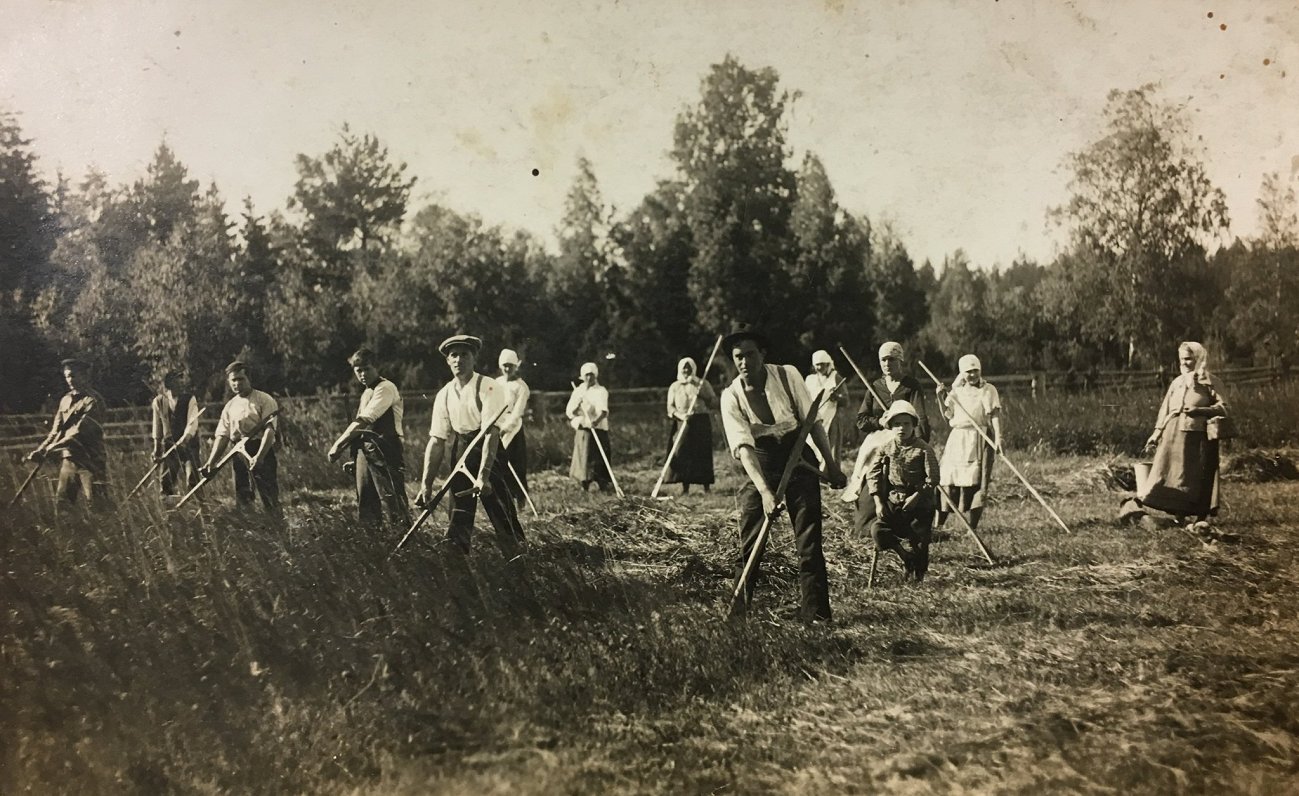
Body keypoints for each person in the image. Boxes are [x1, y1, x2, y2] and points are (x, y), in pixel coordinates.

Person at [719, 328, 847, 623]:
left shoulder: (788, 376)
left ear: (762, 354)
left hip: (799, 456)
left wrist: (830, 465)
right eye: (738, 357)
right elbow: (743, 449)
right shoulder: (731, 397)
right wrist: (765, 491)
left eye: (750, 354)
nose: (744, 362)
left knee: (809, 540)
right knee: (750, 539)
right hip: (762, 462)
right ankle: (738, 613)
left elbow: (811, 422)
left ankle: (815, 614)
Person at [416, 335, 526, 556]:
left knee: (501, 512)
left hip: (488, 450)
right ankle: (457, 565)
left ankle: (518, 559)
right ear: (448, 361)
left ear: (474, 357)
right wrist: (425, 485)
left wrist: (484, 476)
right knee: (458, 515)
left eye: (464, 354)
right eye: (453, 355)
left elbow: (491, 434)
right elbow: (437, 441)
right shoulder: (444, 394)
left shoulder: (489, 386)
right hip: (461, 451)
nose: (459, 360)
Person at [846, 341, 933, 538]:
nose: (887, 363)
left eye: (891, 359)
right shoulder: (875, 387)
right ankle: (870, 525)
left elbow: (921, 418)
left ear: (900, 360)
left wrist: (918, 445)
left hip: (904, 438)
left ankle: (905, 526)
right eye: (883, 360)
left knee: (905, 478)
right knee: (870, 476)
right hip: (878, 441)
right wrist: (880, 422)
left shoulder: (911, 386)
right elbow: (861, 420)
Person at [1137, 341, 1228, 523]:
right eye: (1181, 359)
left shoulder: (1210, 382)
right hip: (1173, 434)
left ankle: (1200, 514)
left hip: (1199, 435)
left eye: (1188, 359)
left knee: (1197, 476)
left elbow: (1224, 408)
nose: (1184, 363)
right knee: (1174, 475)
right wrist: (1156, 434)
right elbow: (1165, 409)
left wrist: (1200, 411)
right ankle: (1178, 512)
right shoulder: (1177, 382)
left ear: (1199, 358)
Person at [327, 347, 410, 528]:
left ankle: (405, 543)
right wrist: (356, 459)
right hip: (365, 451)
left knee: (392, 501)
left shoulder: (385, 388)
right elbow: (360, 431)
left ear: (376, 367)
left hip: (385, 449)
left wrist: (338, 445)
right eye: (359, 370)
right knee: (366, 502)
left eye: (367, 368)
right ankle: (374, 546)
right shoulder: (366, 393)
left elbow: (364, 420)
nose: (363, 374)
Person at [867, 401, 940, 582]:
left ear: (914, 425)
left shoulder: (923, 449)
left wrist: (916, 497)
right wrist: (878, 503)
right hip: (895, 499)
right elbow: (873, 474)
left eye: (906, 424)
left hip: (919, 500)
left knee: (919, 537)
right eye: (897, 424)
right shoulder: (886, 448)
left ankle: (919, 575)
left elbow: (933, 479)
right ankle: (905, 557)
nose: (902, 428)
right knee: (878, 529)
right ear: (891, 427)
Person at [26, 357, 110, 508]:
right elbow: (55, 431)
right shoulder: (65, 400)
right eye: (67, 376)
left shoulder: (93, 401)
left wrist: (53, 448)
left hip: (90, 460)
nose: (70, 380)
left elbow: (78, 432)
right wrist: (41, 450)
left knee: (97, 506)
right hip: (69, 459)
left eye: (73, 375)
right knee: (63, 505)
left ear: (85, 376)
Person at [202, 361, 280, 515]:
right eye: (233, 380)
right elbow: (222, 436)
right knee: (243, 496)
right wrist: (211, 462)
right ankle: (248, 531)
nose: (237, 383)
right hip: (238, 452)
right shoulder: (230, 406)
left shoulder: (264, 399)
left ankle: (277, 527)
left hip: (260, 449)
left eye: (241, 379)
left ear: (249, 378)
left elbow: (269, 431)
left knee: (269, 495)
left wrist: (259, 457)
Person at [935, 354, 1002, 531]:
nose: (972, 375)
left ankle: (971, 527)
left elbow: (994, 415)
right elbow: (947, 415)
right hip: (958, 439)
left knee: (977, 482)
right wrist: (941, 397)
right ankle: (938, 526)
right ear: (962, 373)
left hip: (979, 438)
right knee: (948, 479)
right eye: (968, 372)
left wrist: (998, 438)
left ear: (980, 370)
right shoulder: (956, 391)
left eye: (975, 371)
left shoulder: (988, 390)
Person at [663, 356, 716, 494]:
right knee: (683, 453)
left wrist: (702, 394)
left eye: (689, 367)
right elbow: (670, 407)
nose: (686, 370)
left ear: (693, 368)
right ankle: (685, 488)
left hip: (701, 421)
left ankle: (706, 487)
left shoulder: (702, 383)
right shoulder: (675, 386)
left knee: (702, 453)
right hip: (682, 422)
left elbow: (713, 402)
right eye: (684, 367)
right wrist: (680, 416)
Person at [150, 370, 201, 498]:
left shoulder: (190, 399)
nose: (180, 383)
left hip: (188, 445)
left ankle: (200, 510)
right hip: (169, 446)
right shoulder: (159, 401)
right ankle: (170, 512)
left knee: (192, 479)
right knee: (166, 481)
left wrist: (185, 439)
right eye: (175, 380)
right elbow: (157, 427)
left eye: (180, 380)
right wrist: (157, 450)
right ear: (167, 384)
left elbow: (192, 422)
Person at [566, 362, 613, 492]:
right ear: (582, 376)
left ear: (596, 375)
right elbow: (570, 412)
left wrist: (595, 421)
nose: (589, 378)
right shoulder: (578, 391)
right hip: (583, 428)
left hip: (597, 429)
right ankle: (583, 482)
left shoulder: (601, 391)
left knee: (595, 457)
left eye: (591, 375)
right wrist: (578, 406)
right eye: (586, 375)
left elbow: (603, 411)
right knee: (583, 457)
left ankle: (598, 482)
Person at [495, 348, 531, 508]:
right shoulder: (496, 383)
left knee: (517, 465)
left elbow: (517, 412)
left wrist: (506, 428)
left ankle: (521, 499)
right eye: (505, 366)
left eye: (510, 365)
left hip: (513, 428)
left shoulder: (521, 387)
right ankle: (503, 499)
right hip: (497, 424)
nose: (507, 369)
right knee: (499, 465)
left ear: (516, 366)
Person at [805, 350, 848, 464]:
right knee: (812, 447)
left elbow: (846, 400)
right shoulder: (810, 379)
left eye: (822, 364)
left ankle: (831, 477)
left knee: (831, 450)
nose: (819, 367)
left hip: (832, 418)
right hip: (815, 418)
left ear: (828, 364)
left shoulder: (836, 378)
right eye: (817, 365)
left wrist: (837, 397)